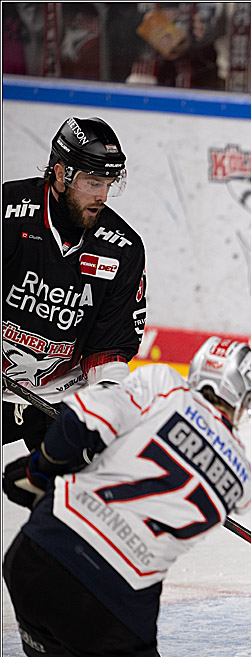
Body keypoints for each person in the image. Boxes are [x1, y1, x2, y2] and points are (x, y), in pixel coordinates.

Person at [2, 337, 251, 657]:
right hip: (113, 603)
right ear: (242, 399)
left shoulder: (163, 384)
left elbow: (75, 424)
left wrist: (39, 470)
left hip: (36, 557)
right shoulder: (242, 481)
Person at [3, 117, 147, 453]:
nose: (103, 196)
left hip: (62, 396)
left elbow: (108, 348)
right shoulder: (7, 214)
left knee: (76, 499)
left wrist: (109, 406)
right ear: (59, 174)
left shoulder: (122, 248)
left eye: (109, 184)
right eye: (93, 183)